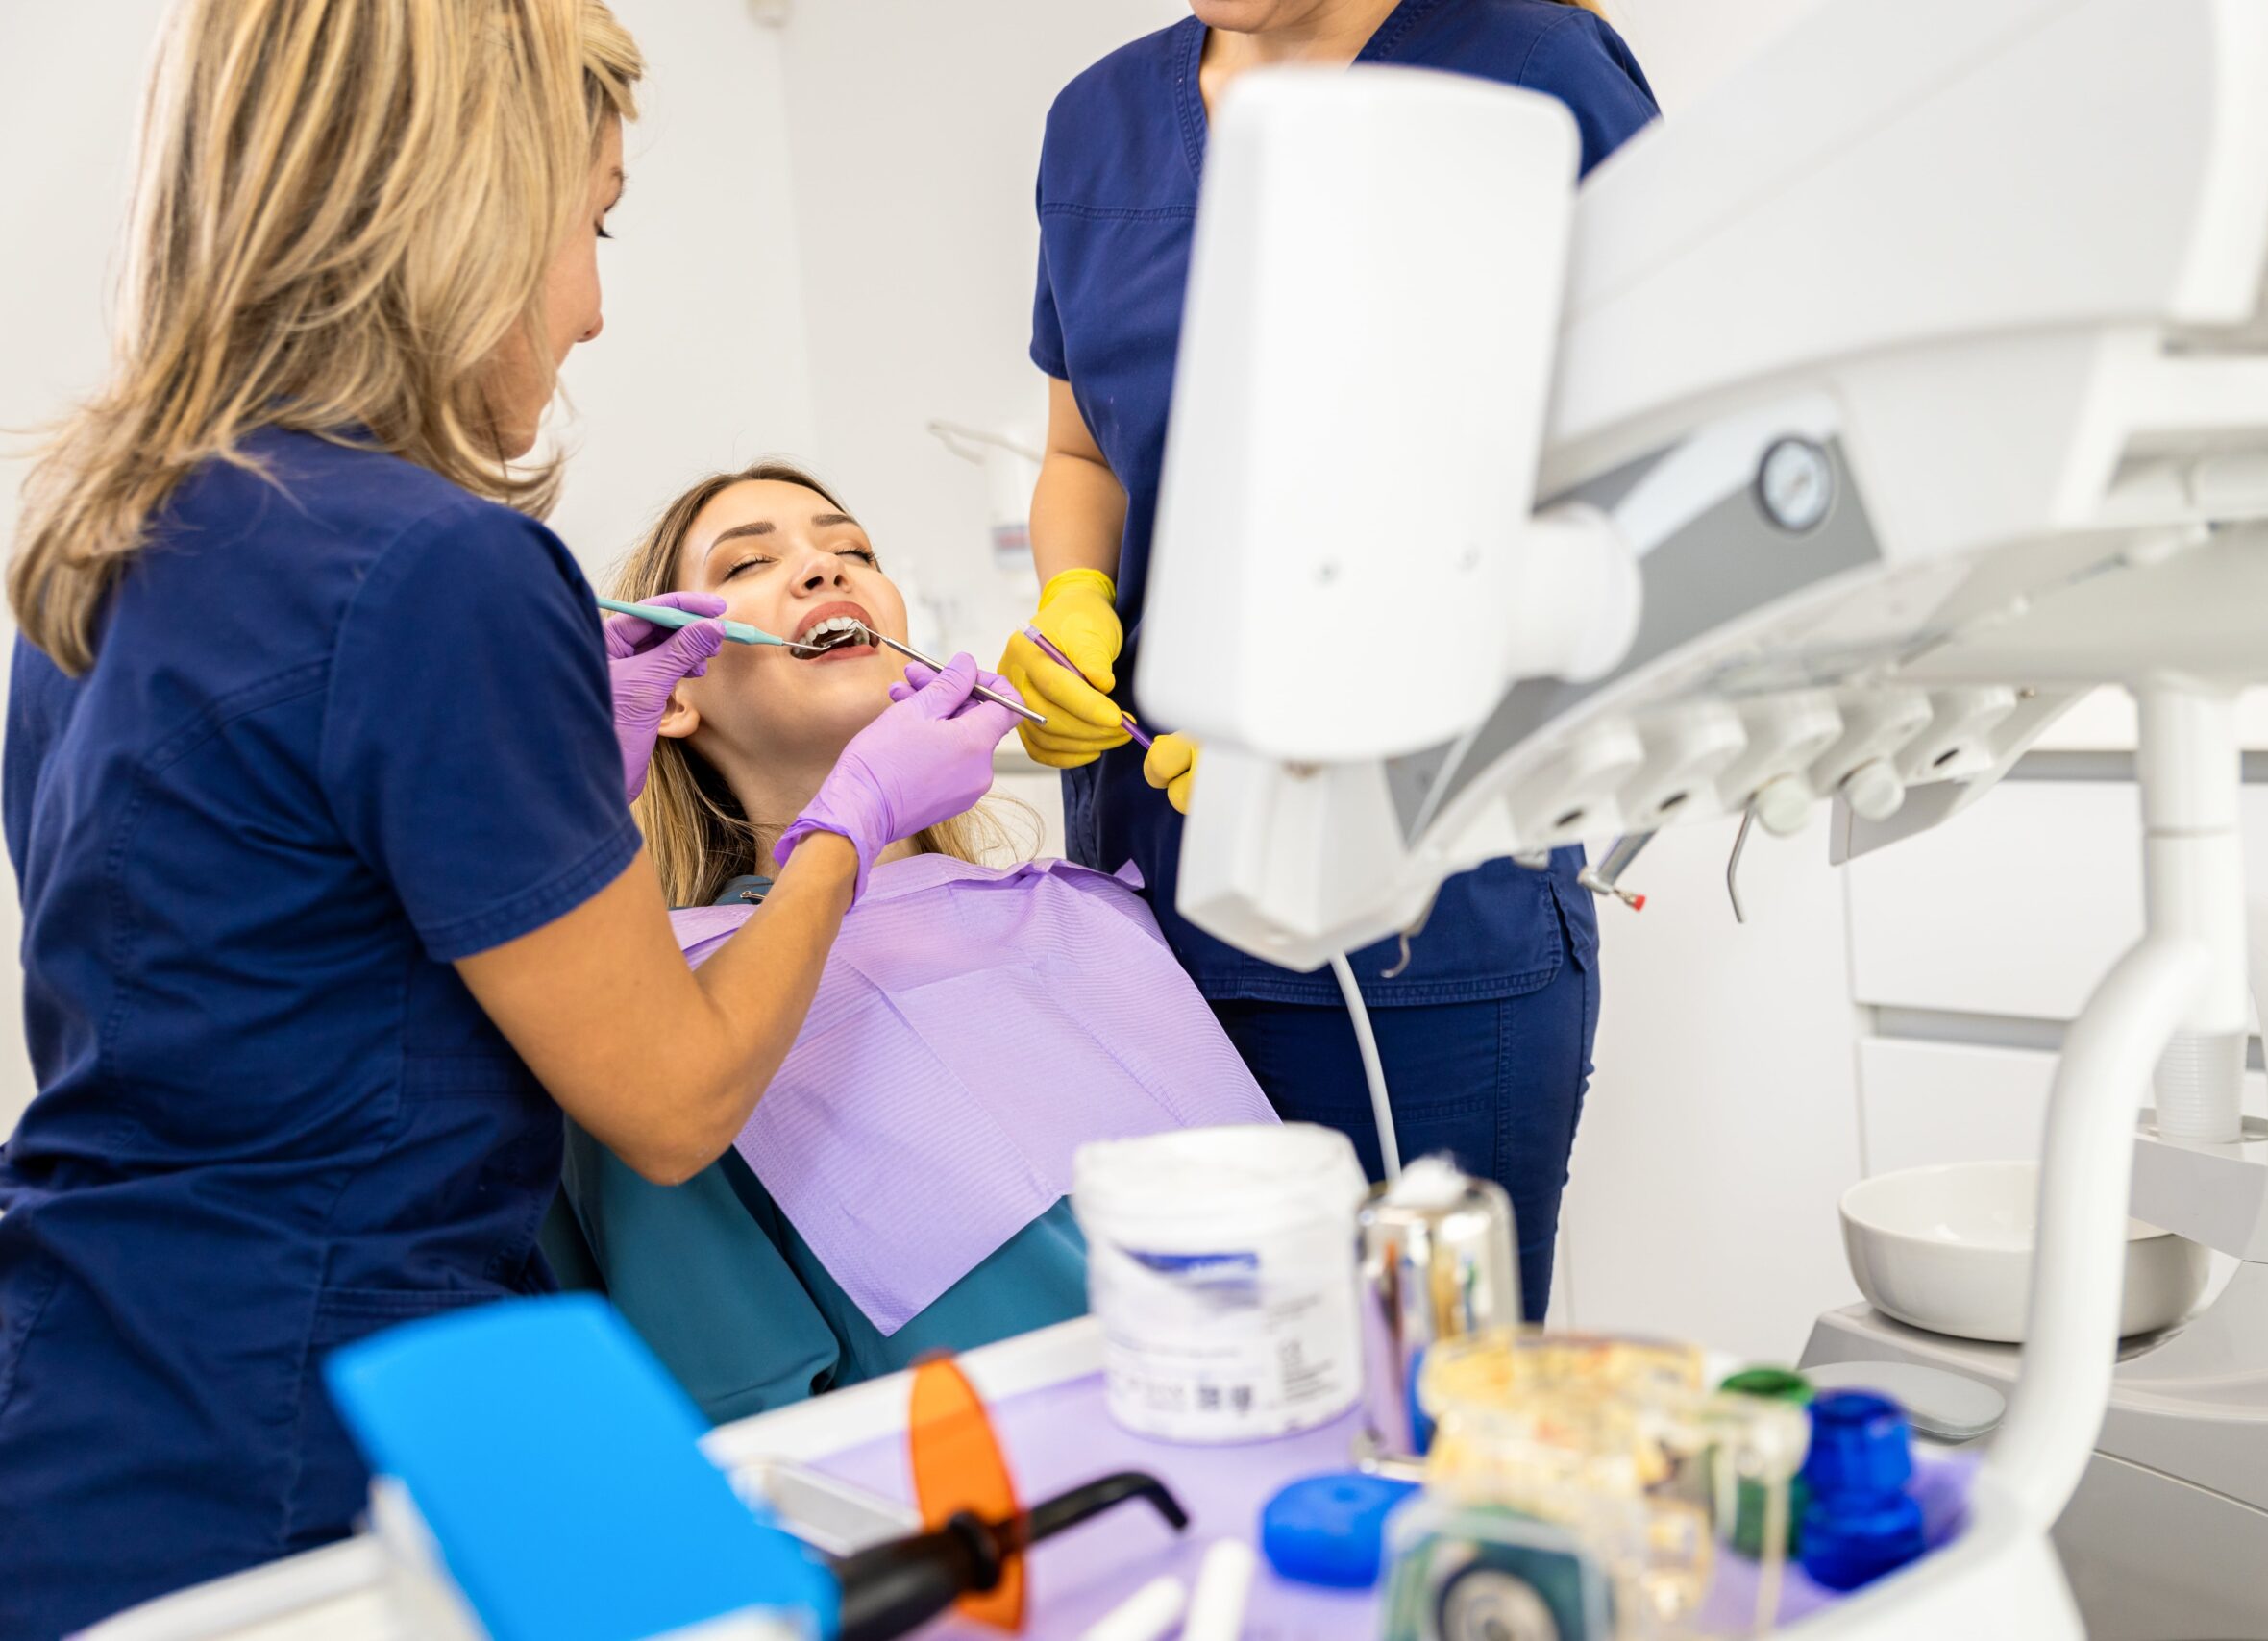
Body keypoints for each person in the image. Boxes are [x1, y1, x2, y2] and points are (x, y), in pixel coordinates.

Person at [0, 6, 1011, 1631]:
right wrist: (851, 818)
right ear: (459, 202)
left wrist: (553, 773)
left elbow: (286, 955)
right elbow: (675, 1101)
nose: (594, 307)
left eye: (840, 540)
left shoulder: (104, 566)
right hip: (285, 1430)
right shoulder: (435, 567)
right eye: (590, 221)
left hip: (84, 1388)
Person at [1008, 0, 1658, 1319]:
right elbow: (1082, 456)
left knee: (1430, 1403)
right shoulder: (1097, 124)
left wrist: (1357, 683)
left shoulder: (1535, 71)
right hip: (1155, 903)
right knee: (1212, 1396)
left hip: (1428, 916)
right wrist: (1074, 600)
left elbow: (1663, 463)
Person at [548, 465, 1277, 1421]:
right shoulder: (671, 1014)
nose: (821, 569)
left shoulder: (1086, 909)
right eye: (753, 561)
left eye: (852, 551)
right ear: (676, 693)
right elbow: (748, 1415)